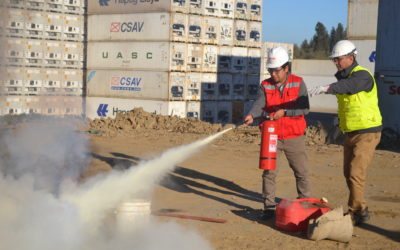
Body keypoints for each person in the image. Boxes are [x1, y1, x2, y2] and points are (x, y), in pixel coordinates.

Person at [309, 40, 382, 226]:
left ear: (351, 57)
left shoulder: (362, 76)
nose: (336, 63)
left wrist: (327, 88)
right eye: (334, 60)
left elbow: (349, 87)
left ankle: (354, 213)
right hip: (351, 132)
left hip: (367, 132)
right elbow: (347, 104)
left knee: (356, 172)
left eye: (338, 59)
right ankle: (361, 209)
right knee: (347, 172)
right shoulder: (344, 79)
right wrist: (339, 122)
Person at [244, 47, 310, 220]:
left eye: (276, 70)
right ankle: (269, 207)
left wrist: (285, 112)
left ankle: (304, 202)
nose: (273, 74)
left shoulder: (298, 83)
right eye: (270, 70)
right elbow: (260, 104)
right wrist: (252, 114)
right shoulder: (265, 85)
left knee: (301, 171)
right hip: (271, 136)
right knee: (269, 172)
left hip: (294, 135)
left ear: (286, 67)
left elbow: (304, 108)